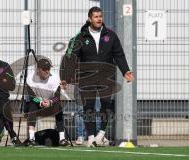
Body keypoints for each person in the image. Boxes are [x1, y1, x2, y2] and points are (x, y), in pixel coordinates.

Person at [61, 7, 134, 147]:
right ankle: (91, 137)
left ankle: (101, 134)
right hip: (86, 78)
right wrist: (66, 77)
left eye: (100, 16)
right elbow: (71, 58)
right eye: (96, 17)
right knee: (88, 108)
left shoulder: (110, 35)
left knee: (107, 104)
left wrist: (126, 71)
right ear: (90, 19)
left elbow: (119, 55)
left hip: (106, 78)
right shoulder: (80, 37)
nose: (99, 19)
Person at [23, 58, 70, 146]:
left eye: (48, 69)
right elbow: (31, 96)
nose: (47, 71)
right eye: (44, 69)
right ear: (38, 69)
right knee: (32, 106)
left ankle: (62, 139)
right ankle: (32, 139)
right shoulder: (30, 77)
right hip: (37, 103)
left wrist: (50, 102)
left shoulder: (55, 77)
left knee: (59, 108)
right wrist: (40, 102)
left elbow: (57, 97)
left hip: (50, 103)